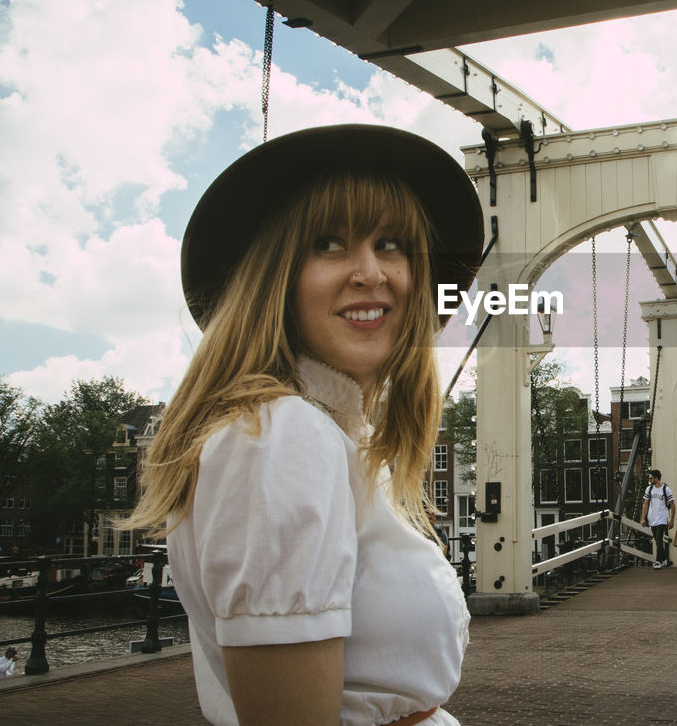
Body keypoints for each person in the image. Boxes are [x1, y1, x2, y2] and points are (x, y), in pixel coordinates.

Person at [125, 125, 483, 726]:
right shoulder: (280, 439)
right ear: (277, 278)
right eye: (330, 244)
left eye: (392, 244)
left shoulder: (328, 435)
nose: (371, 272)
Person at [642, 469, 676, 568]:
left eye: (651, 478)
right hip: (652, 518)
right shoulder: (649, 489)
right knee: (657, 540)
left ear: (656, 478)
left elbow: (672, 504)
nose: (649, 479)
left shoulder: (666, 489)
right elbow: (646, 503)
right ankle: (665, 559)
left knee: (658, 538)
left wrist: (672, 520)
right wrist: (643, 518)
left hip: (662, 517)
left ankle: (658, 561)